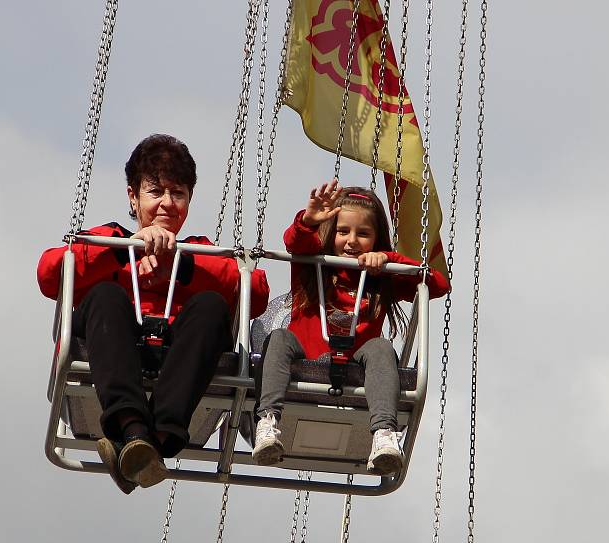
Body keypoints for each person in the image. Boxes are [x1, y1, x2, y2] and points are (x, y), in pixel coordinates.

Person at [38, 134, 270, 494]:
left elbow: (254, 293)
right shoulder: (110, 240)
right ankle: (135, 429)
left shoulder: (202, 252)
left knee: (211, 307)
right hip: (114, 342)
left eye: (178, 193)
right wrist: (124, 250)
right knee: (105, 296)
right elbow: (50, 274)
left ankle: (144, 444)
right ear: (133, 196)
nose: (167, 203)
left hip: (177, 352)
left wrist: (183, 264)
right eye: (156, 192)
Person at [251, 180, 449, 475]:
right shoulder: (313, 263)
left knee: (381, 347)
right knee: (279, 338)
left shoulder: (380, 275)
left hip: (357, 358)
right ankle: (268, 421)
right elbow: (295, 242)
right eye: (343, 231)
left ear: (376, 240)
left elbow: (438, 285)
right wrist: (309, 220)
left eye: (363, 234)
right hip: (306, 351)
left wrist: (389, 261)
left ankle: (384, 434)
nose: (352, 241)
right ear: (331, 233)